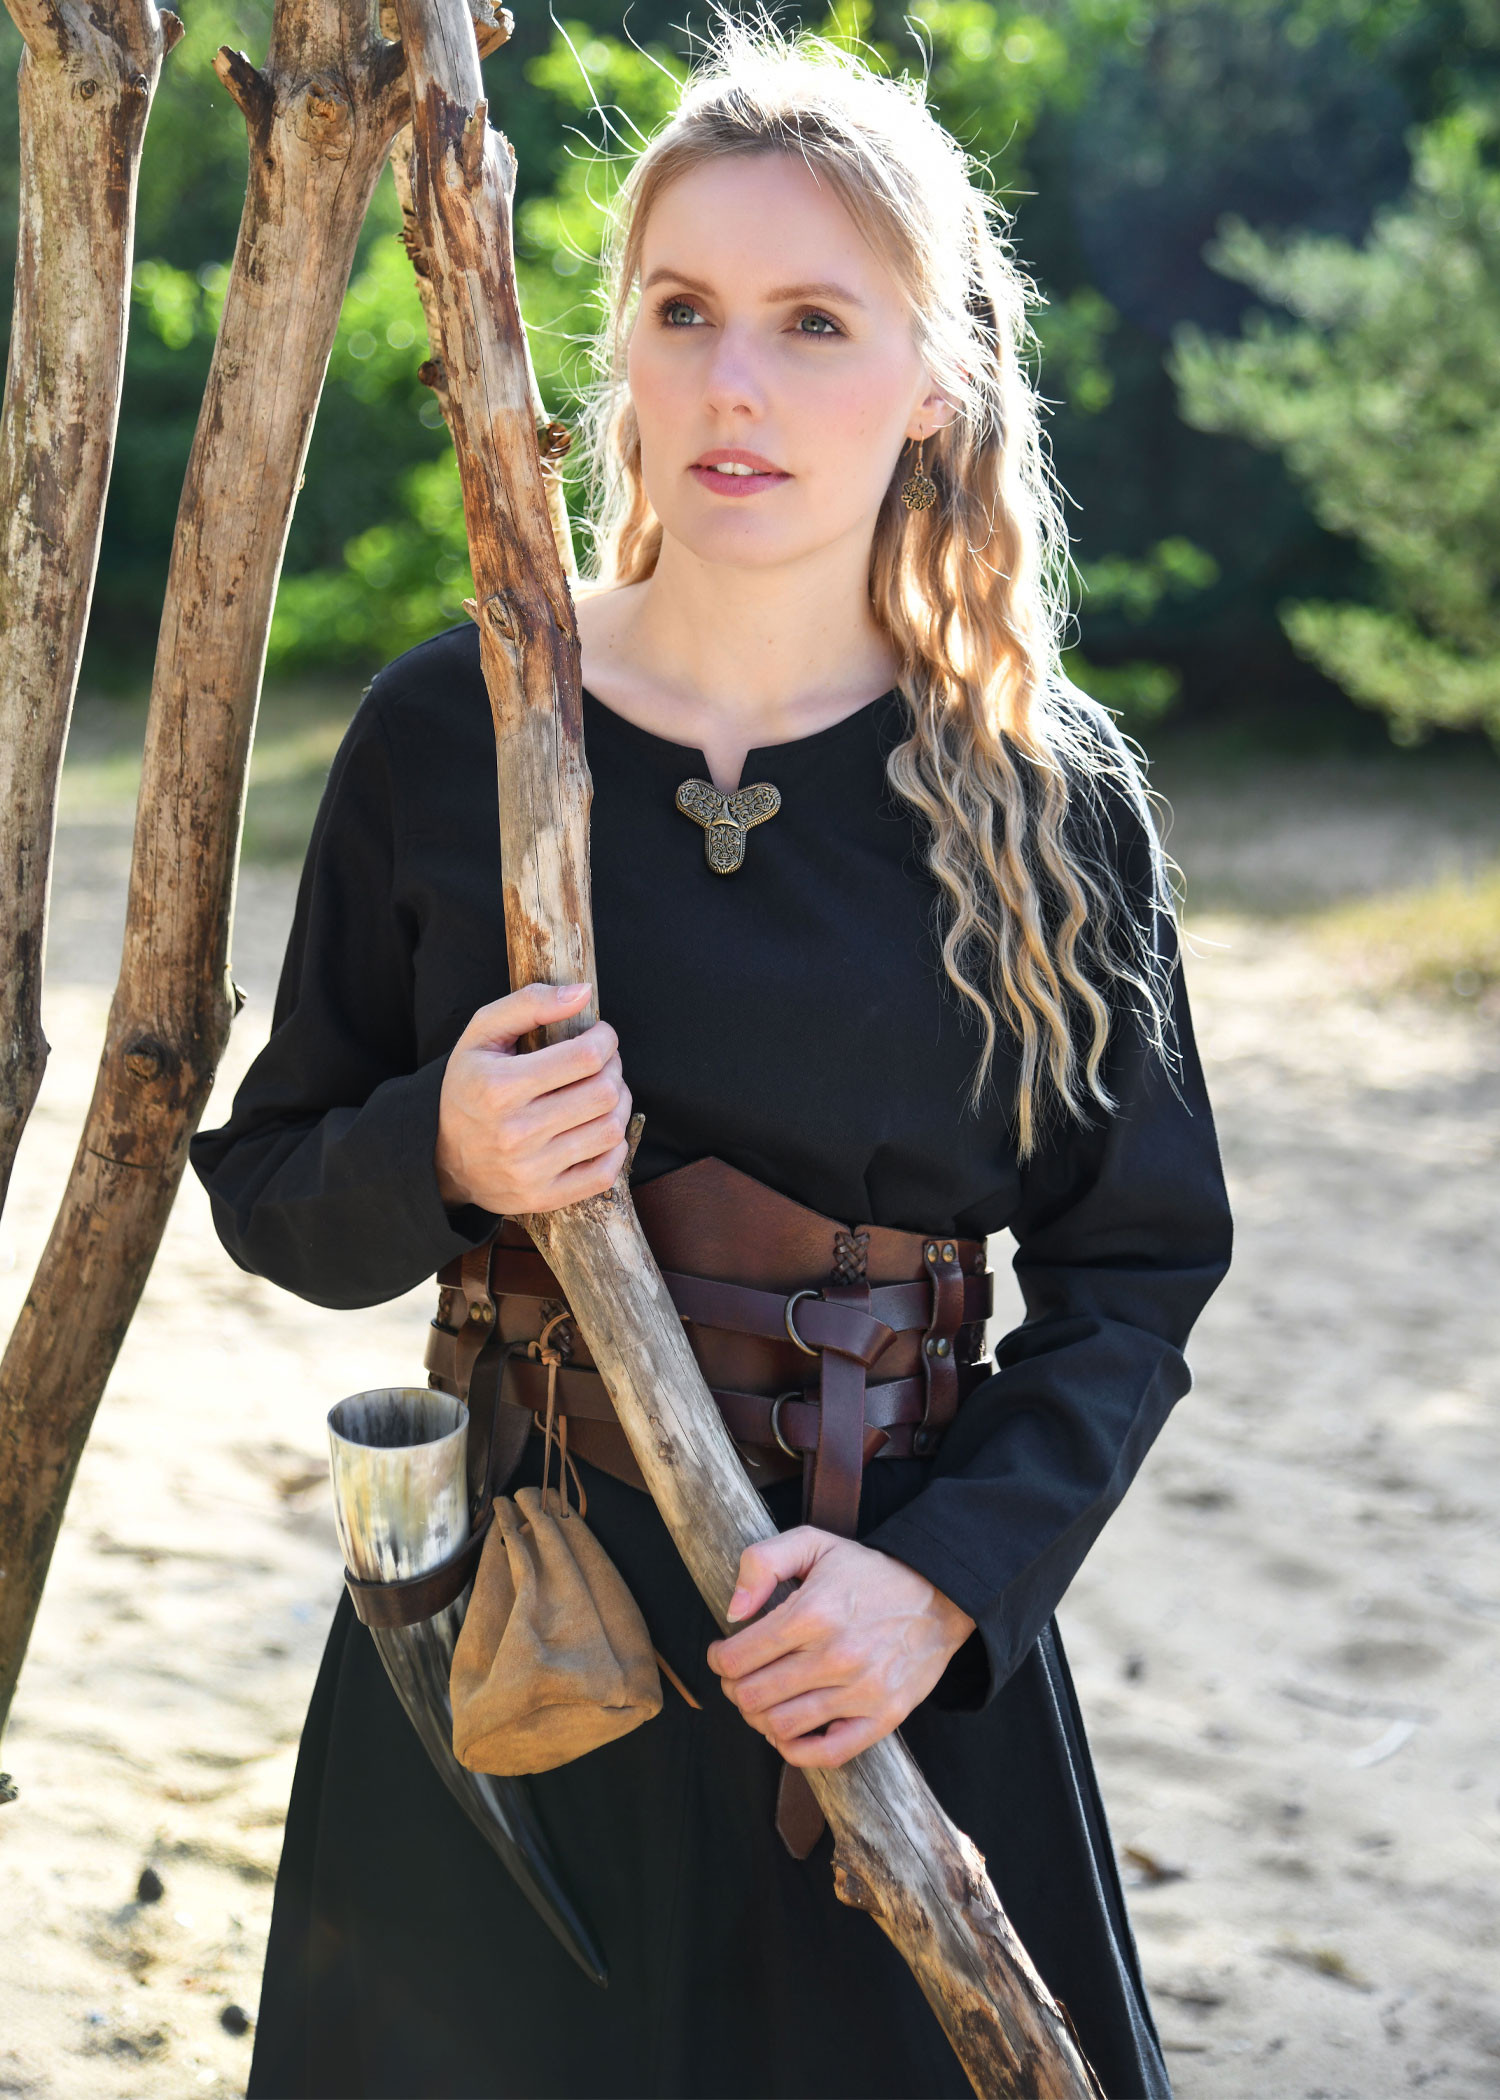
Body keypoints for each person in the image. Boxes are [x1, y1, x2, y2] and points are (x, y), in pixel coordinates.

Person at [191, 19, 1232, 2099]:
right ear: (624, 351)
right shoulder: (454, 735)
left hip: (868, 1661)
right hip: (511, 1638)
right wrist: (444, 1146)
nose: (733, 382)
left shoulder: (1042, 799)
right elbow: (276, 1189)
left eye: (813, 322)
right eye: (683, 311)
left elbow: (1136, 1272)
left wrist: (939, 1592)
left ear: (933, 381)